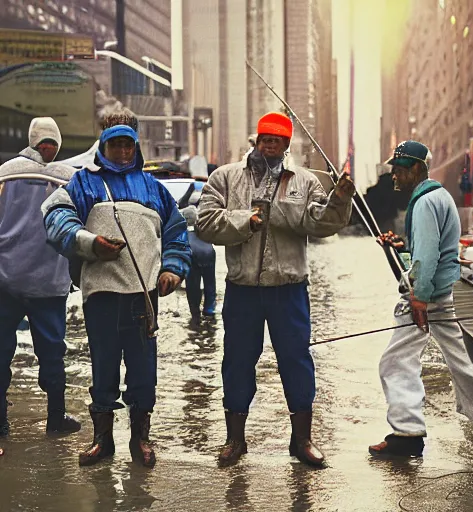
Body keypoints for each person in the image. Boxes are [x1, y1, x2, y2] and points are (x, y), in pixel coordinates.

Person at [196, 112, 355, 467]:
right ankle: (235, 439)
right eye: (265, 139)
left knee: (297, 361)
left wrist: (340, 198)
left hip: (290, 290)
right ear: (256, 140)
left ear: (286, 145)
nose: (270, 145)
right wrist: (244, 220)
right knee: (237, 361)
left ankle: (302, 441)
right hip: (242, 290)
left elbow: (322, 223)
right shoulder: (225, 177)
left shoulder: (306, 181)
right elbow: (204, 223)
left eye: (277, 141)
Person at [42, 123, 191, 468]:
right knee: (103, 367)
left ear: (135, 149)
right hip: (102, 296)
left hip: (144, 296)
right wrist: (89, 243)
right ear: (103, 148)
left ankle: (140, 439)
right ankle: (102, 440)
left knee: (143, 371)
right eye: (115, 146)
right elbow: (55, 216)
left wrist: (172, 268)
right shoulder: (83, 182)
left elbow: (176, 231)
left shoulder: (154, 188)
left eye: (128, 146)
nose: (122, 153)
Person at [370, 140, 473, 491]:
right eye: (394, 168)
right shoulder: (438, 197)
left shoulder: (425, 202)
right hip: (433, 294)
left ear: (418, 168)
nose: (395, 174)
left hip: (429, 298)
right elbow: (431, 249)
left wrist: (419, 298)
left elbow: (430, 256)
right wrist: (402, 247)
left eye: (401, 168)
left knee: (465, 378)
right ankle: (407, 434)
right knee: (397, 361)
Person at [0, 117, 81, 438]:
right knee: (52, 352)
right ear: (56, 145)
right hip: (48, 283)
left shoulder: (4, 172)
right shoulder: (67, 177)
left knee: (1, 351)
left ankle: (1, 424)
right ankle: (55, 419)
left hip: (5, 279)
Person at [180, 205, 217, 322]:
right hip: (209, 253)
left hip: (192, 254)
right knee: (210, 282)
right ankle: (209, 310)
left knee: (192, 285)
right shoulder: (203, 229)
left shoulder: (182, 232)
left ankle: (195, 312)